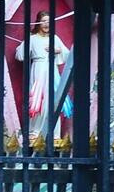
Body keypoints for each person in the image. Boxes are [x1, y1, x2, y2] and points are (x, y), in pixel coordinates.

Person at [12, 11, 72, 146]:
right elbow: (19, 55)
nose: (46, 24)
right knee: (38, 101)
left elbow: (68, 54)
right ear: (38, 22)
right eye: (44, 21)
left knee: (53, 100)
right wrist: (27, 42)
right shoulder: (33, 39)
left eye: (49, 21)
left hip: (52, 71)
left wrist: (58, 51)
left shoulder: (54, 38)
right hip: (38, 71)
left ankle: (53, 133)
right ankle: (35, 131)